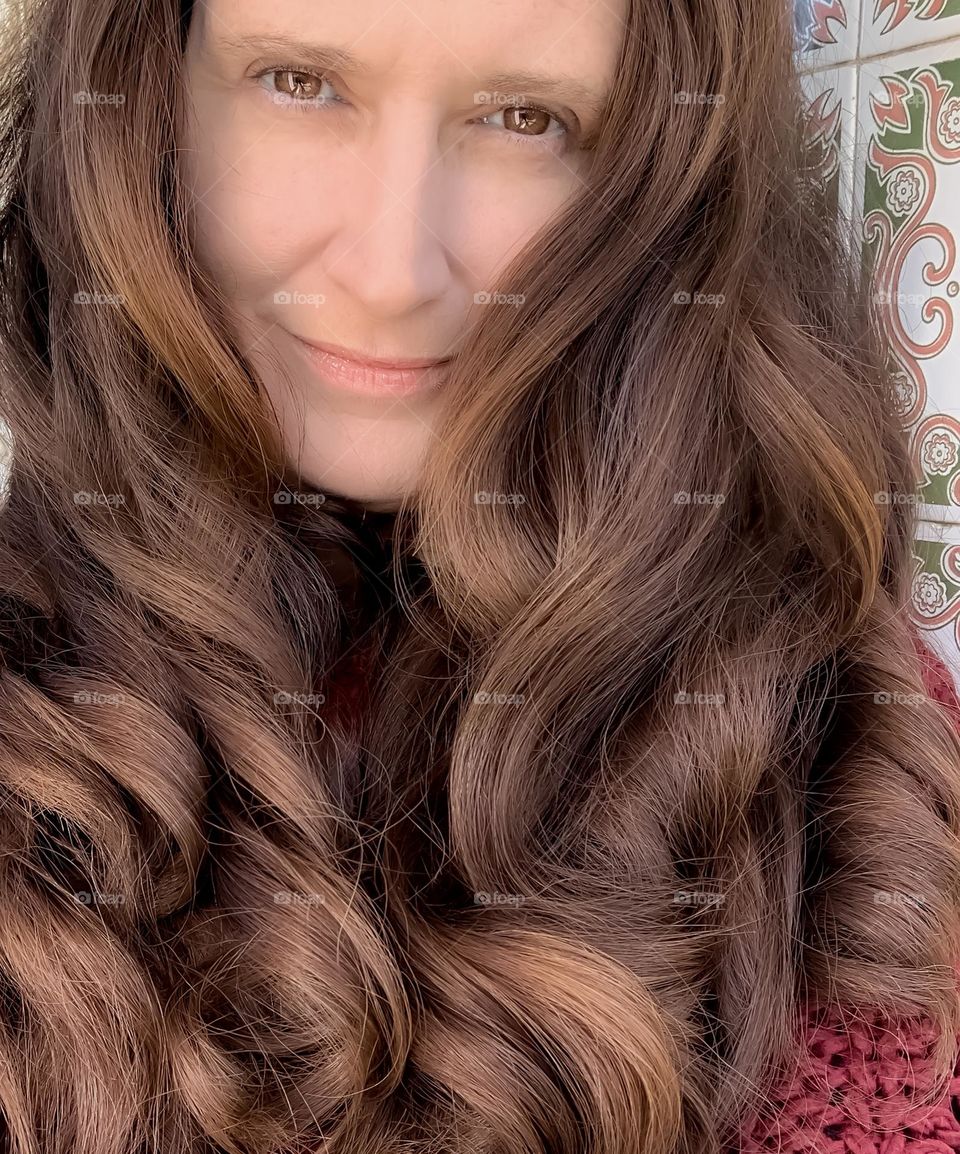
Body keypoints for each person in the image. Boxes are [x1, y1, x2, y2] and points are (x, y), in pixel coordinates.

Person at [0, 0, 958, 1151]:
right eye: (299, 83)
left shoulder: (838, 731)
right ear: (149, 95)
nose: (391, 271)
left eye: (525, 118)